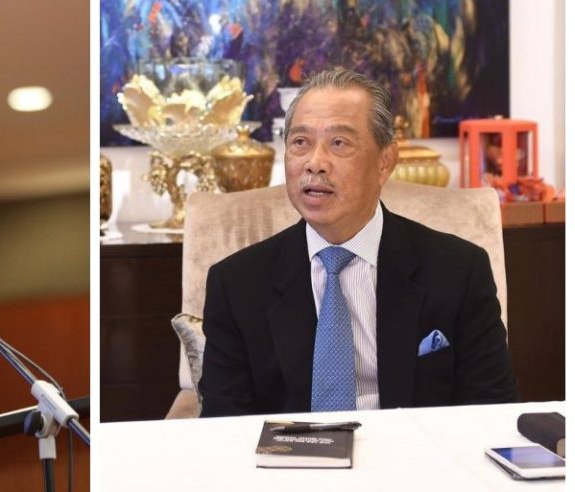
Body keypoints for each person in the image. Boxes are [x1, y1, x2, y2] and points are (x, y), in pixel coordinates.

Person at [198, 69, 518, 417]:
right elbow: (223, 426)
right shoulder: (237, 284)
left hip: (412, 460)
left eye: (339, 143)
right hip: (290, 464)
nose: (315, 163)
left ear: (384, 162)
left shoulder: (458, 270)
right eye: (300, 142)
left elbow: (492, 413)